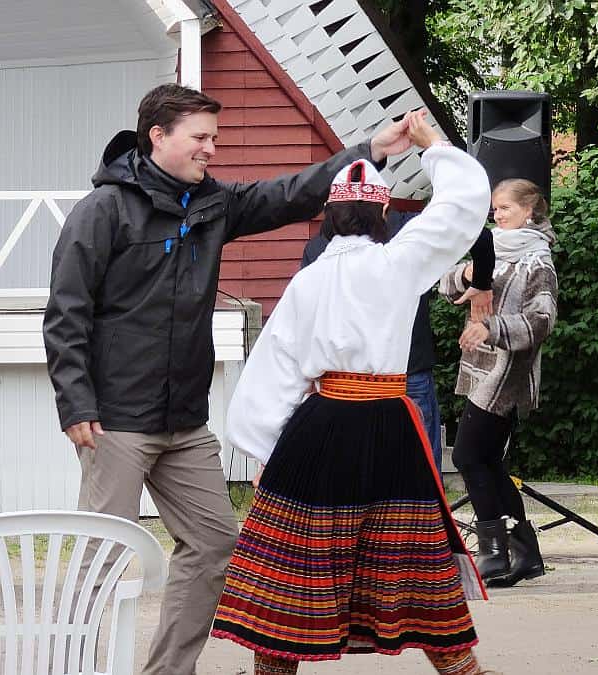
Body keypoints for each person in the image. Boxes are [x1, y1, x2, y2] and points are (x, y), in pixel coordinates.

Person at [43, 83, 415, 675]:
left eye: (214, 137)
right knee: (103, 558)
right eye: (201, 137)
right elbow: (66, 313)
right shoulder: (103, 210)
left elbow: (289, 195)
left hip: (185, 421)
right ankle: (72, 665)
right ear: (158, 136)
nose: (211, 148)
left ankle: (168, 672)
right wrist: (75, 403)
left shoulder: (212, 203)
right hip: (115, 419)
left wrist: (371, 147)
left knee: (215, 543)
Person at [211, 111, 492, 675]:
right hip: (390, 422)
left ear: (329, 217)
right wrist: (432, 145)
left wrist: (268, 450)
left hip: (321, 424)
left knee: (299, 558)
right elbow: (462, 208)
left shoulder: (306, 282)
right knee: (411, 556)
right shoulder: (399, 261)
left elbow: (276, 370)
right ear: (383, 212)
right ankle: (461, 668)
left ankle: (275, 668)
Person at [301, 214, 494, 470]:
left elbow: (308, 316)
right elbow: (475, 230)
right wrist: (481, 279)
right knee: (419, 472)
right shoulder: (410, 230)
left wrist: (306, 374)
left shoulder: (320, 246)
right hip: (401, 371)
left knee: (353, 471)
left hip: (347, 379)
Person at [440, 177, 558, 588]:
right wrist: (470, 274)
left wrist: (492, 328)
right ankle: (524, 552)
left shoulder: (537, 261)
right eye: (494, 209)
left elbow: (543, 321)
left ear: (529, 211)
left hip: (508, 374)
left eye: (504, 208)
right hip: (481, 367)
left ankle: (494, 551)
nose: (496, 215)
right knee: (488, 460)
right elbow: (447, 283)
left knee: (468, 455)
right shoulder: (492, 249)